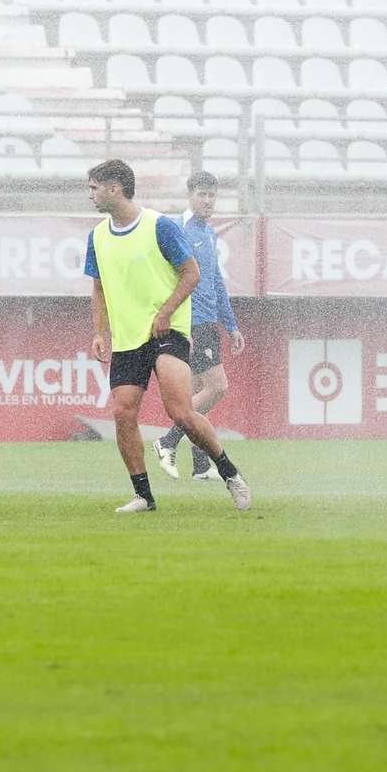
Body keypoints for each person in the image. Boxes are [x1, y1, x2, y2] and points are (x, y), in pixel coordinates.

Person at [84, 159, 252, 513]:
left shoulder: (159, 225)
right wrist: (98, 333)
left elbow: (191, 274)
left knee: (180, 411)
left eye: (93, 187)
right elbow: (98, 289)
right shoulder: (97, 235)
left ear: (114, 190)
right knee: (122, 413)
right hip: (128, 340)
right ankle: (143, 496)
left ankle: (230, 473)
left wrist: (164, 313)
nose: (90, 195)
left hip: (167, 331)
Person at [152, 171, 245, 481]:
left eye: (212, 196)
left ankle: (201, 466)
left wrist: (231, 325)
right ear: (189, 195)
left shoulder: (209, 232)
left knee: (195, 397)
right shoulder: (177, 228)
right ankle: (166, 442)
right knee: (217, 387)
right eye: (202, 195)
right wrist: (181, 326)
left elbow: (215, 279)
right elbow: (166, 278)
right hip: (192, 323)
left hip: (208, 320)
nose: (208, 201)